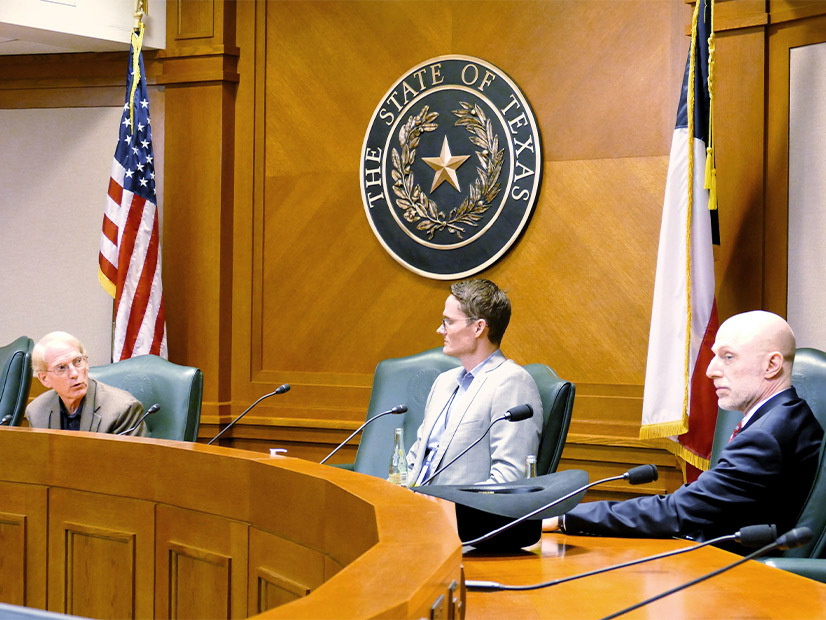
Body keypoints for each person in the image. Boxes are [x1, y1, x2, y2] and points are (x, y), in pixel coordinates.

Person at [545, 310, 823, 541]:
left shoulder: (768, 436)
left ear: (772, 365)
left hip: (736, 579)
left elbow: (680, 511)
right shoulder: (786, 417)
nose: (711, 370)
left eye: (728, 357)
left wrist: (565, 517)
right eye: (714, 356)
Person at [406, 279, 543, 486]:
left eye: (448, 321)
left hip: (458, 514)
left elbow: (509, 481)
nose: (440, 330)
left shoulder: (512, 383)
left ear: (478, 328)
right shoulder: (443, 382)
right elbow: (414, 461)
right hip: (412, 506)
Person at [26, 331, 148, 436]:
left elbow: (130, 462)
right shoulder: (37, 412)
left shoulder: (122, 409)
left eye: (78, 361)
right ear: (44, 379)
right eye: (62, 367)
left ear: (86, 363)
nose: (74, 373)